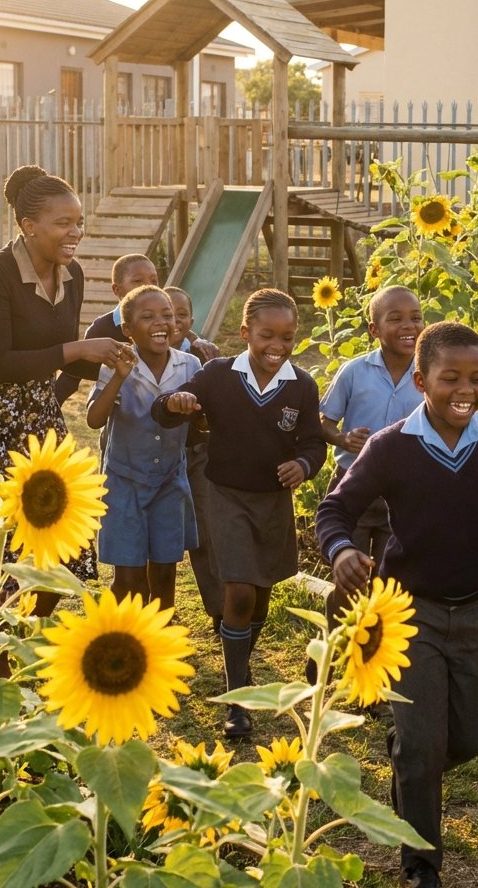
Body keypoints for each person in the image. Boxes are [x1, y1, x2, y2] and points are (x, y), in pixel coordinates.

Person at [315, 321, 478, 888]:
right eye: (451, 378)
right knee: (423, 744)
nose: (466, 389)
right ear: (421, 380)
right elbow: (335, 509)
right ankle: (420, 864)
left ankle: (409, 755)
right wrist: (340, 550)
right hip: (409, 611)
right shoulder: (392, 447)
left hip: (475, 610)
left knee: (469, 737)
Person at [0, 164, 124, 603]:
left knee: (55, 548)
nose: (75, 232)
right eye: (63, 223)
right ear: (29, 226)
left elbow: (63, 355)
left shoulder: (71, 274)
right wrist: (79, 351)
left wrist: (124, 368)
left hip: (37, 417)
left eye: (79, 222)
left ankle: (19, 640)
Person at [152, 288, 326, 738]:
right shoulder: (218, 375)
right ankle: (236, 701)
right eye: (267, 335)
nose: (277, 346)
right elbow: (165, 409)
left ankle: (242, 666)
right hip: (224, 496)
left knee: (261, 596)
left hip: (272, 501)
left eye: (287, 337)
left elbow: (312, 442)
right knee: (240, 593)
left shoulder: (301, 385)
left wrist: (303, 464)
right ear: (246, 333)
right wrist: (176, 403)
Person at [318, 285, 424, 638]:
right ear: (374, 330)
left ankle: (375, 657)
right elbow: (325, 420)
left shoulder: (428, 377)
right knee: (349, 578)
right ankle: (332, 646)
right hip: (354, 486)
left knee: (391, 582)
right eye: (395, 319)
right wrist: (342, 438)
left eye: (415, 318)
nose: (408, 326)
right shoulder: (354, 372)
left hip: (405, 494)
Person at [87, 285, 200, 610]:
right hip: (125, 484)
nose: (161, 323)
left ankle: (160, 641)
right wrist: (119, 378)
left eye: (167, 315)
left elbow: (204, 420)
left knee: (164, 573)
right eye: (147, 317)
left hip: (169, 482)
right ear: (127, 329)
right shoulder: (116, 365)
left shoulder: (189, 366)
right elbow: (94, 419)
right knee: (130, 579)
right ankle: (119, 630)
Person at [54, 255, 217, 405]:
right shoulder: (101, 329)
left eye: (154, 280)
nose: (148, 286)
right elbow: (73, 375)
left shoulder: (165, 324)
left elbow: (179, 327)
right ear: (117, 290)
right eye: (138, 281)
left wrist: (195, 339)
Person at [165, 284, 224, 634]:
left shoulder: (204, 356)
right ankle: (158, 607)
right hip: (154, 454)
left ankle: (219, 610)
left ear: (192, 320)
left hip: (197, 452)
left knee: (205, 529)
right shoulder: (140, 354)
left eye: (181, 315)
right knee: (160, 535)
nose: (173, 322)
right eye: (166, 314)